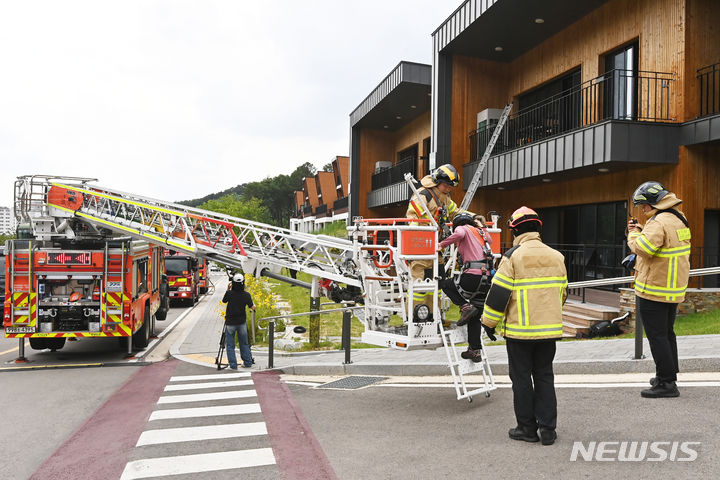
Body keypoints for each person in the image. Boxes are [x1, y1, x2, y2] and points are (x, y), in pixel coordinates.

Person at [480, 206, 567, 446]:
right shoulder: (556, 256)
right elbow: (563, 294)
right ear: (538, 228)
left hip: (520, 333)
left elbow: (498, 295)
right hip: (549, 331)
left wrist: (488, 323)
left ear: (515, 230)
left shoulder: (513, 256)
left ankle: (527, 429)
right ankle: (548, 429)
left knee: (521, 380)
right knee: (544, 377)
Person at [627, 181, 690, 398]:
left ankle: (666, 384)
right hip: (672, 288)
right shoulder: (678, 217)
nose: (643, 211)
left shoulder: (658, 222)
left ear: (654, 203)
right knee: (667, 334)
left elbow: (644, 249)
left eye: (644, 206)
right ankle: (668, 374)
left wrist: (633, 235)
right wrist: (644, 230)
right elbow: (664, 244)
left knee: (657, 337)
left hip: (654, 289)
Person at [405, 164, 473, 321]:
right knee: (419, 285)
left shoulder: (445, 198)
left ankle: (432, 314)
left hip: (436, 249)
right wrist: (422, 233)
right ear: (437, 181)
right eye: (446, 185)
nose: (449, 188)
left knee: (437, 283)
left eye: (451, 186)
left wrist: (473, 216)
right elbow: (412, 217)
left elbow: (456, 212)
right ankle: (414, 317)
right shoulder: (422, 195)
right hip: (420, 248)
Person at [437, 212, 493, 362]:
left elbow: (459, 233)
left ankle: (464, 306)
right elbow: (490, 240)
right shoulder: (481, 232)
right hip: (486, 279)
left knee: (446, 284)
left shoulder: (463, 228)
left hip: (472, 276)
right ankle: (474, 350)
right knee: (475, 316)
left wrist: (440, 245)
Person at [221, 273, 256, 369]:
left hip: (230, 322)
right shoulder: (246, 295)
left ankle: (233, 365)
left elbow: (224, 301)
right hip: (241, 322)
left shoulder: (229, 293)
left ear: (233, 283)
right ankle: (247, 362)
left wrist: (228, 289)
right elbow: (252, 307)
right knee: (244, 343)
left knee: (230, 345)